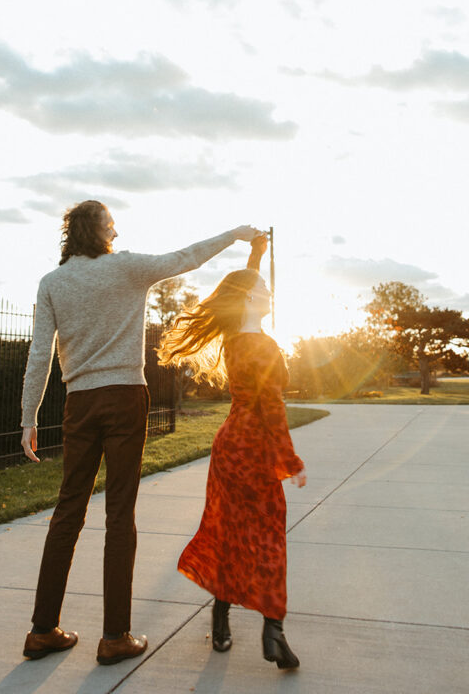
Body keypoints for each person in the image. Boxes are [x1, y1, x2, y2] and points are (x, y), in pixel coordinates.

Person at [20, 199, 264, 665]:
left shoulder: (52, 283)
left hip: (80, 403)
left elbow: (39, 354)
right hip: (125, 396)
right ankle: (115, 637)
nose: (116, 230)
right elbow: (184, 258)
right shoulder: (127, 269)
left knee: (67, 511)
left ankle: (41, 630)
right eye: (112, 224)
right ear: (101, 231)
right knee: (119, 513)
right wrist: (233, 235)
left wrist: (28, 418)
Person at [157, 235, 306, 670]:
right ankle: (273, 630)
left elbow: (248, 284)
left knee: (228, 532)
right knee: (268, 539)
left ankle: (221, 618)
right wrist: (290, 459)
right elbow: (272, 409)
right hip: (254, 447)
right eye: (263, 291)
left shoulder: (236, 339)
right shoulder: (263, 346)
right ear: (247, 299)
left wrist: (256, 256)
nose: (269, 293)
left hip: (229, 447)